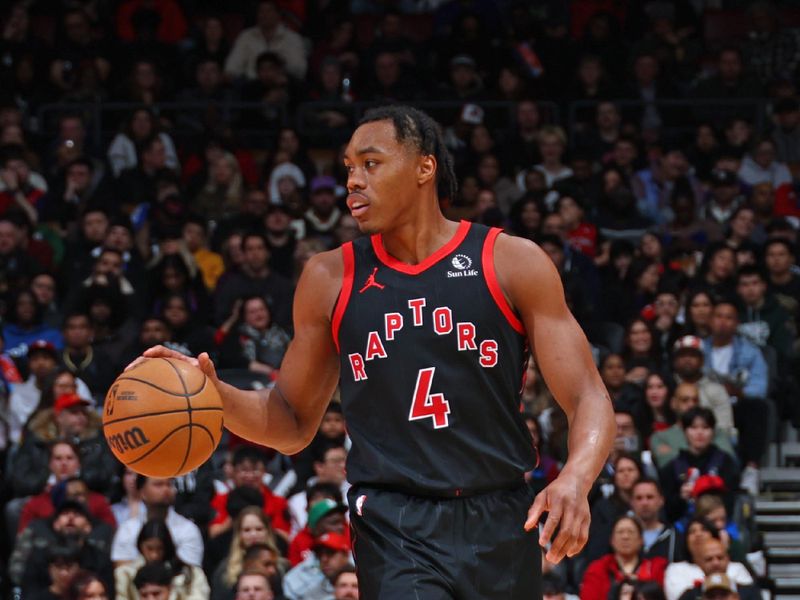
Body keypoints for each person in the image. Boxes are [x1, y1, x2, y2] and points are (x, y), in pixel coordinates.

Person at [132, 105, 616, 598]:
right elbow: (291, 420)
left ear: (425, 168)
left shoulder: (511, 262)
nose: (353, 182)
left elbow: (587, 396)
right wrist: (212, 395)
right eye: (348, 168)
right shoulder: (329, 278)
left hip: (500, 515)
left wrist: (575, 478)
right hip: (394, 521)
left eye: (371, 163)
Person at [114, 518, 209, 600]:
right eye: (149, 549)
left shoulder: (189, 573)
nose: (154, 555)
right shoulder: (126, 575)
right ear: (140, 546)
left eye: (159, 549)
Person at [579, 515, 667, 600]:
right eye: (620, 532)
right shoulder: (597, 569)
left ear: (641, 540)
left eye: (631, 532)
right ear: (612, 540)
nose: (625, 537)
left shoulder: (655, 567)